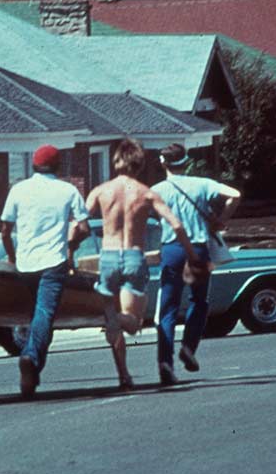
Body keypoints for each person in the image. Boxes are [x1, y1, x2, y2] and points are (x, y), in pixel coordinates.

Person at [85, 139, 206, 390]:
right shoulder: (147, 193)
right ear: (139, 164)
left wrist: (72, 249)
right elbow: (176, 225)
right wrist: (192, 254)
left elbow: (80, 224)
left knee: (114, 322)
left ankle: (123, 373)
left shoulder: (100, 191)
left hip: (107, 258)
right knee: (133, 323)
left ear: (116, 161)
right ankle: (115, 321)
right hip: (132, 257)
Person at [2, 144, 89, 398]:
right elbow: (83, 227)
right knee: (44, 314)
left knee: (38, 316)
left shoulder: (18, 189)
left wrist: (11, 255)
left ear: (33, 165)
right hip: (53, 261)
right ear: (58, 166)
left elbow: (5, 229)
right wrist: (71, 244)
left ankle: (32, 372)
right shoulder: (67, 190)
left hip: (25, 263)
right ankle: (30, 357)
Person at [151, 143, 241, 385]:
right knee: (199, 301)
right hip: (199, 249)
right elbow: (235, 194)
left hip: (171, 249)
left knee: (168, 307)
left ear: (162, 162)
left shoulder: (157, 190)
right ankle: (189, 347)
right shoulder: (202, 184)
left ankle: (165, 362)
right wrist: (221, 220)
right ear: (186, 162)